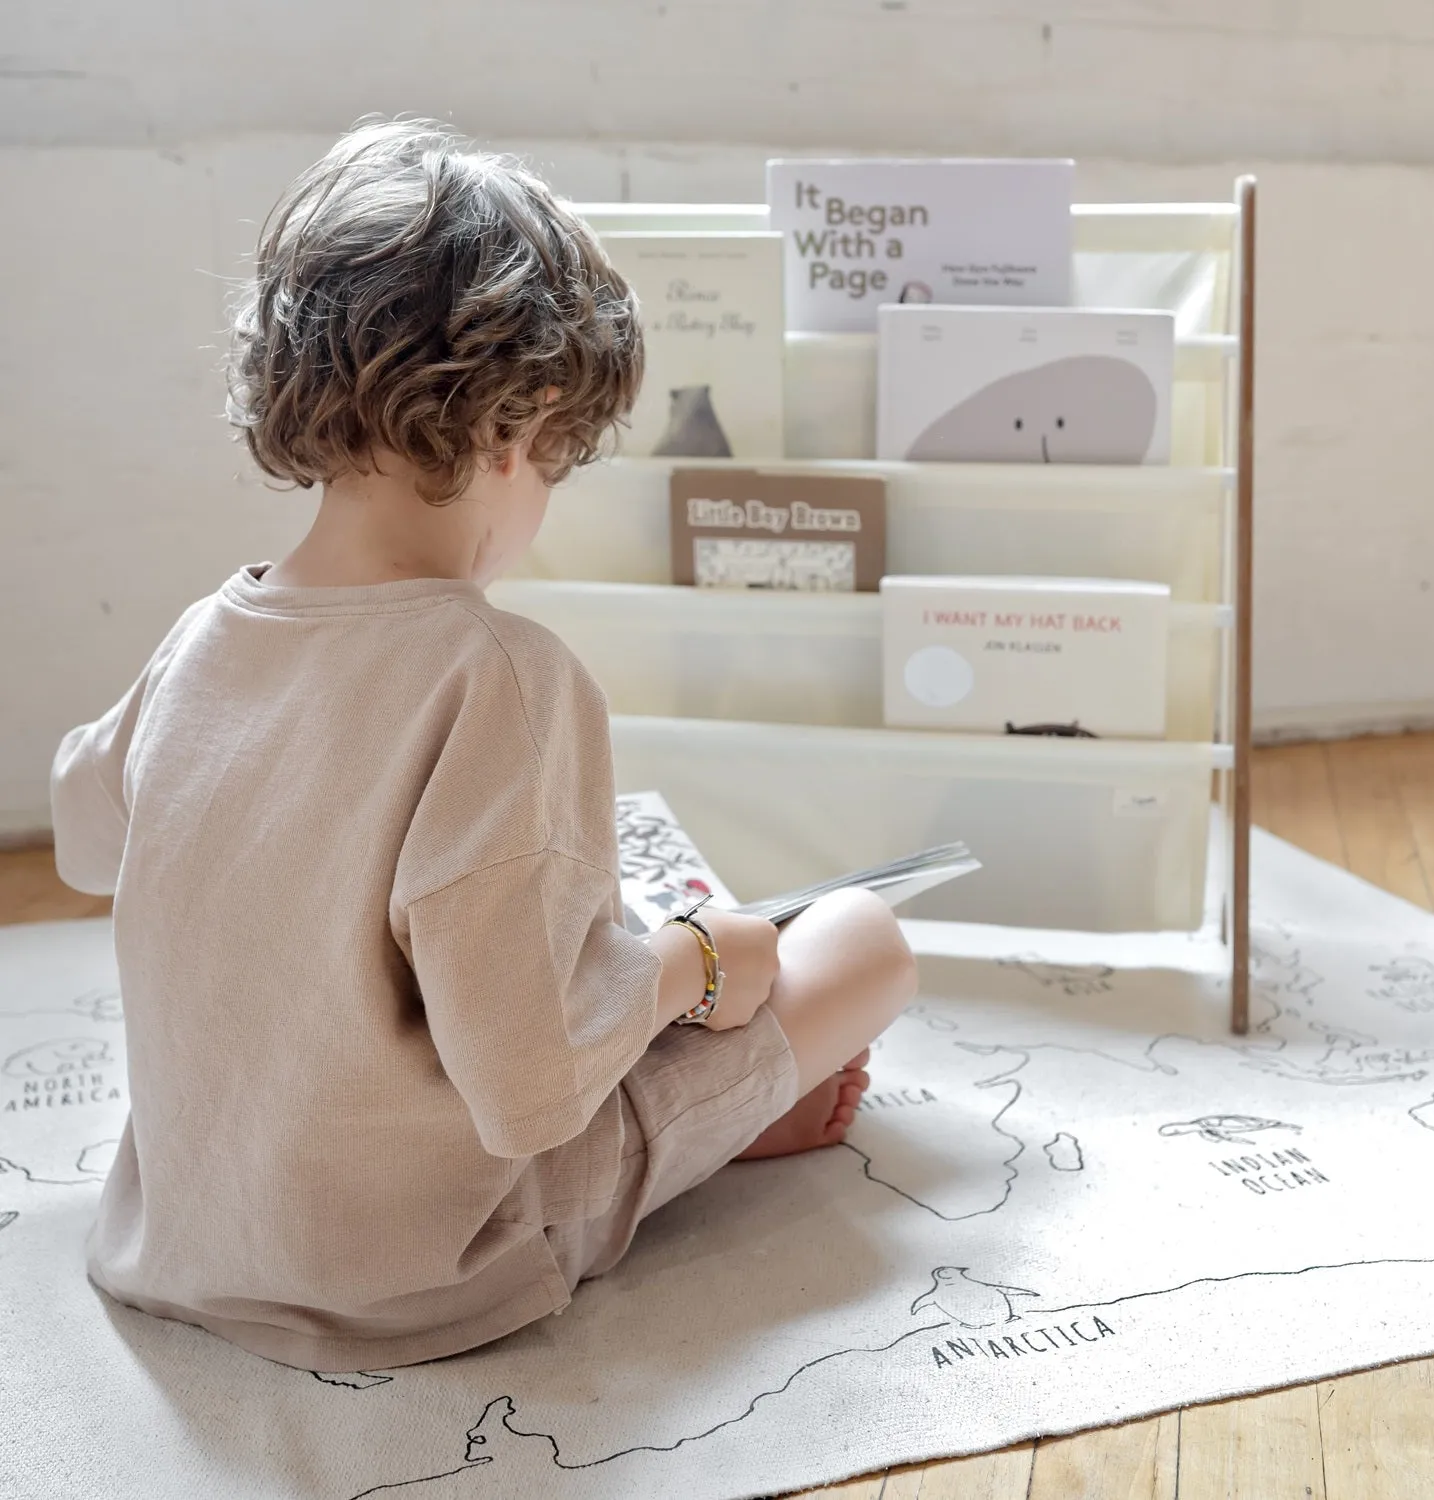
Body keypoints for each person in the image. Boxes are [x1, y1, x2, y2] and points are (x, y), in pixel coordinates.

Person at [49, 118, 918, 1374]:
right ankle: (739, 1120)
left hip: (181, 1242)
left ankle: (741, 1109)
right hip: (424, 1267)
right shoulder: (500, 676)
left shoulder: (203, 637)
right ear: (527, 427)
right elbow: (526, 1085)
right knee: (861, 943)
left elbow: (86, 833)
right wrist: (694, 964)